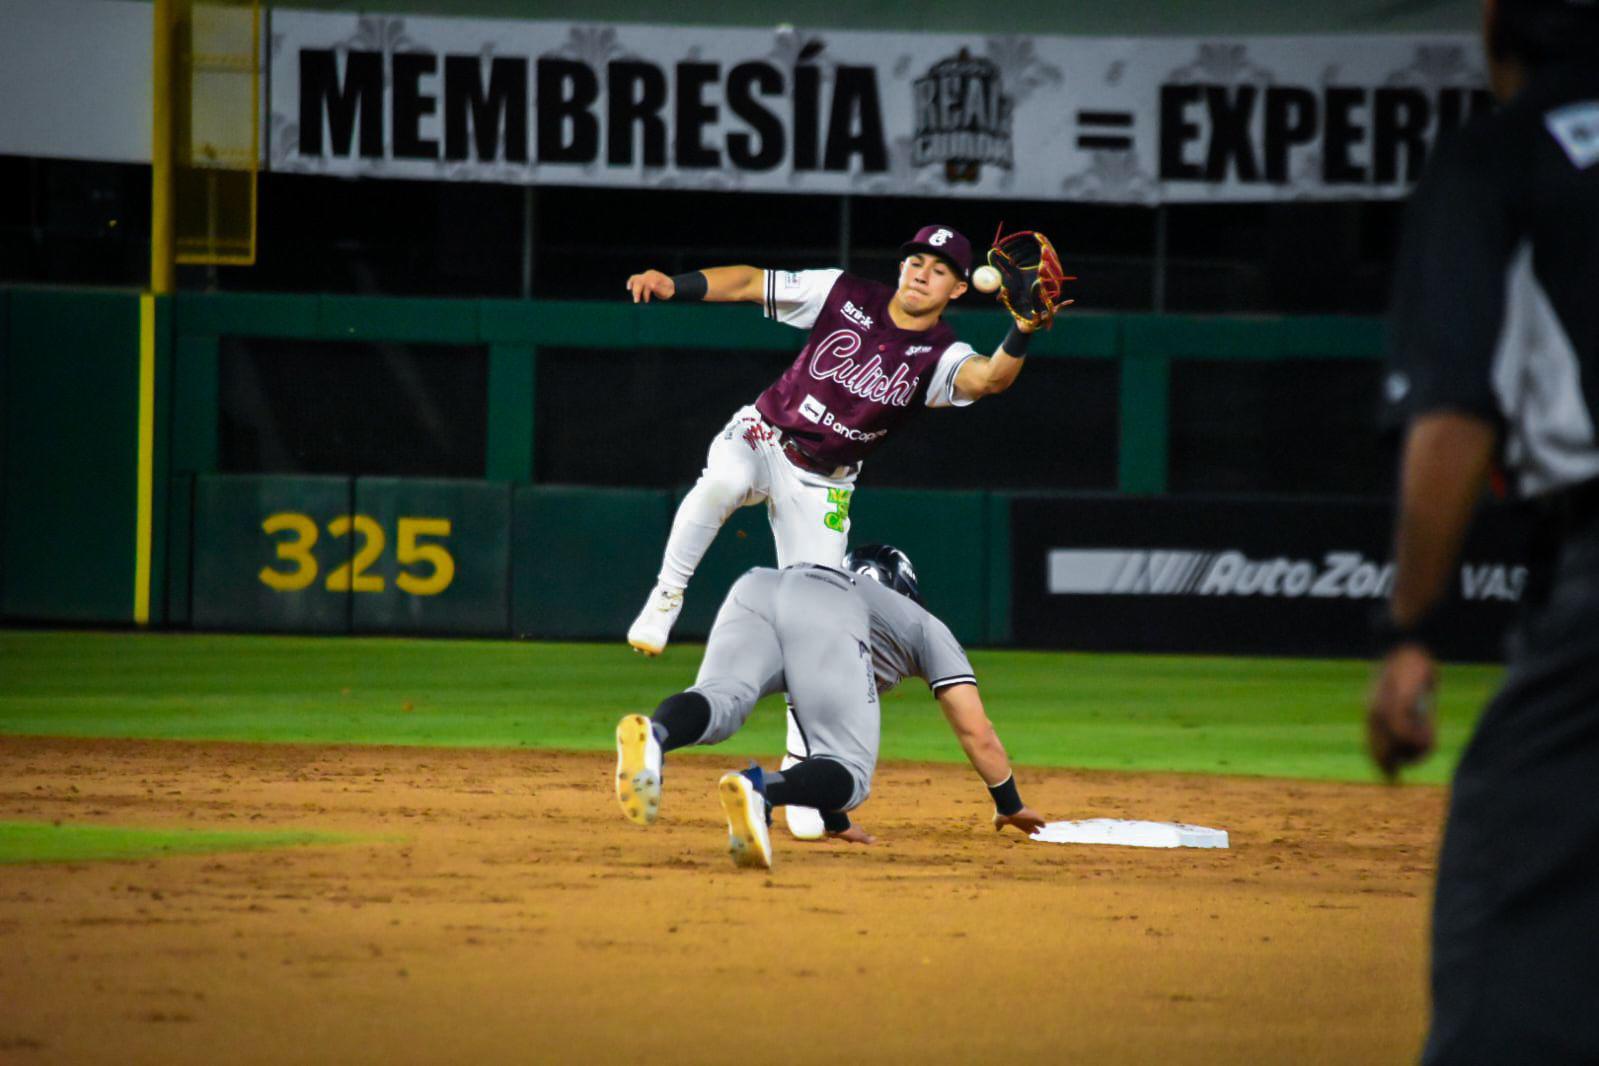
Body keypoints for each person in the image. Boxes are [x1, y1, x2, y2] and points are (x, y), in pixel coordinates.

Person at [623, 224, 1054, 842]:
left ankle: (804, 797)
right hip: (764, 433)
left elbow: (989, 380)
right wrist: (677, 284)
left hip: (825, 486)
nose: (920, 271)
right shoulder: (841, 293)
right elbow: (747, 283)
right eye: (914, 259)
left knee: (818, 636)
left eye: (938, 268)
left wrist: (1023, 329)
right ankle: (666, 597)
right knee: (719, 484)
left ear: (959, 287)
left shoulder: (939, 355)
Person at [1366, 1, 1599, 1061]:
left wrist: (1409, 629)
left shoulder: (1498, 156)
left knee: (1510, 897)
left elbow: (1454, 416)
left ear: (1497, 30)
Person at [613, 544, 1046, 870]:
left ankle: (656, 735)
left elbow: (814, 721)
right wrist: (1008, 803)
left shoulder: (850, 607)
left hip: (759, 584)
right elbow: (977, 730)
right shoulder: (922, 625)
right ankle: (762, 789)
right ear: (906, 589)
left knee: (721, 699)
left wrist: (834, 822)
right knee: (852, 772)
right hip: (824, 610)